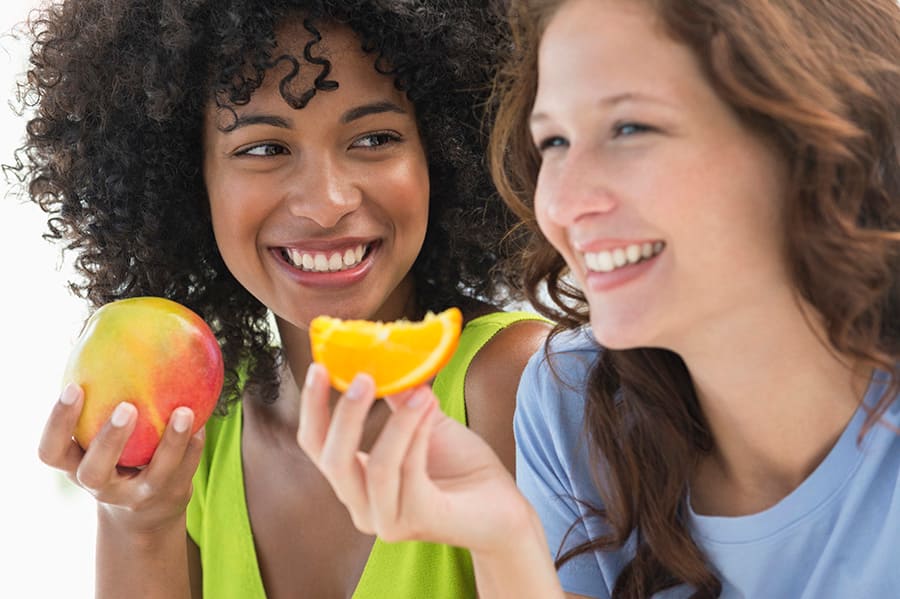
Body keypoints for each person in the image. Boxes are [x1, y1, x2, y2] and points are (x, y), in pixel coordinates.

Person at [297, 0, 900, 597]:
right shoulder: (569, 406)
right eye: (554, 141)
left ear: (815, 143)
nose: (561, 202)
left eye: (630, 128)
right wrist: (504, 541)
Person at [24, 0, 550, 597]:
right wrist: (139, 524)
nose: (326, 202)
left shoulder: (519, 385)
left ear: (443, 151)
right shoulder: (195, 437)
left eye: (375, 138)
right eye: (264, 149)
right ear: (192, 182)